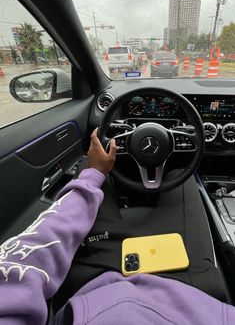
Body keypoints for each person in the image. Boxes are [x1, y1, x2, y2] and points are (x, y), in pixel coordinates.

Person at [0, 129, 234, 325]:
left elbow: (40, 245)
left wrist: (94, 173)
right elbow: (40, 243)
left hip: (92, 297)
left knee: (104, 187)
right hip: (197, 302)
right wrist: (92, 175)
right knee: (180, 176)